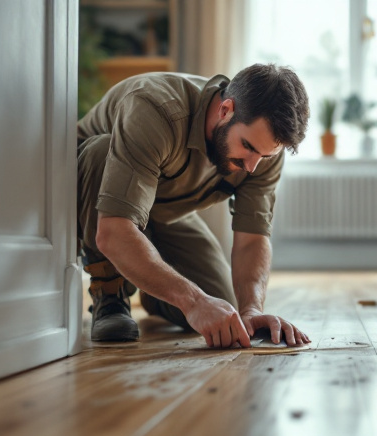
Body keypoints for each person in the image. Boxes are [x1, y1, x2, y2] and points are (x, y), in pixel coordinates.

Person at [77, 63, 311, 349]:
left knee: (223, 305)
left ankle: (151, 281)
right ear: (226, 110)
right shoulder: (155, 109)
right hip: (97, 203)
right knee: (101, 152)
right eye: (248, 147)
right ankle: (110, 292)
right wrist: (193, 300)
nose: (251, 167)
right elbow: (112, 232)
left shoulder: (261, 151)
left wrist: (251, 310)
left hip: (165, 210)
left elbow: (252, 240)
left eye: (265, 156)